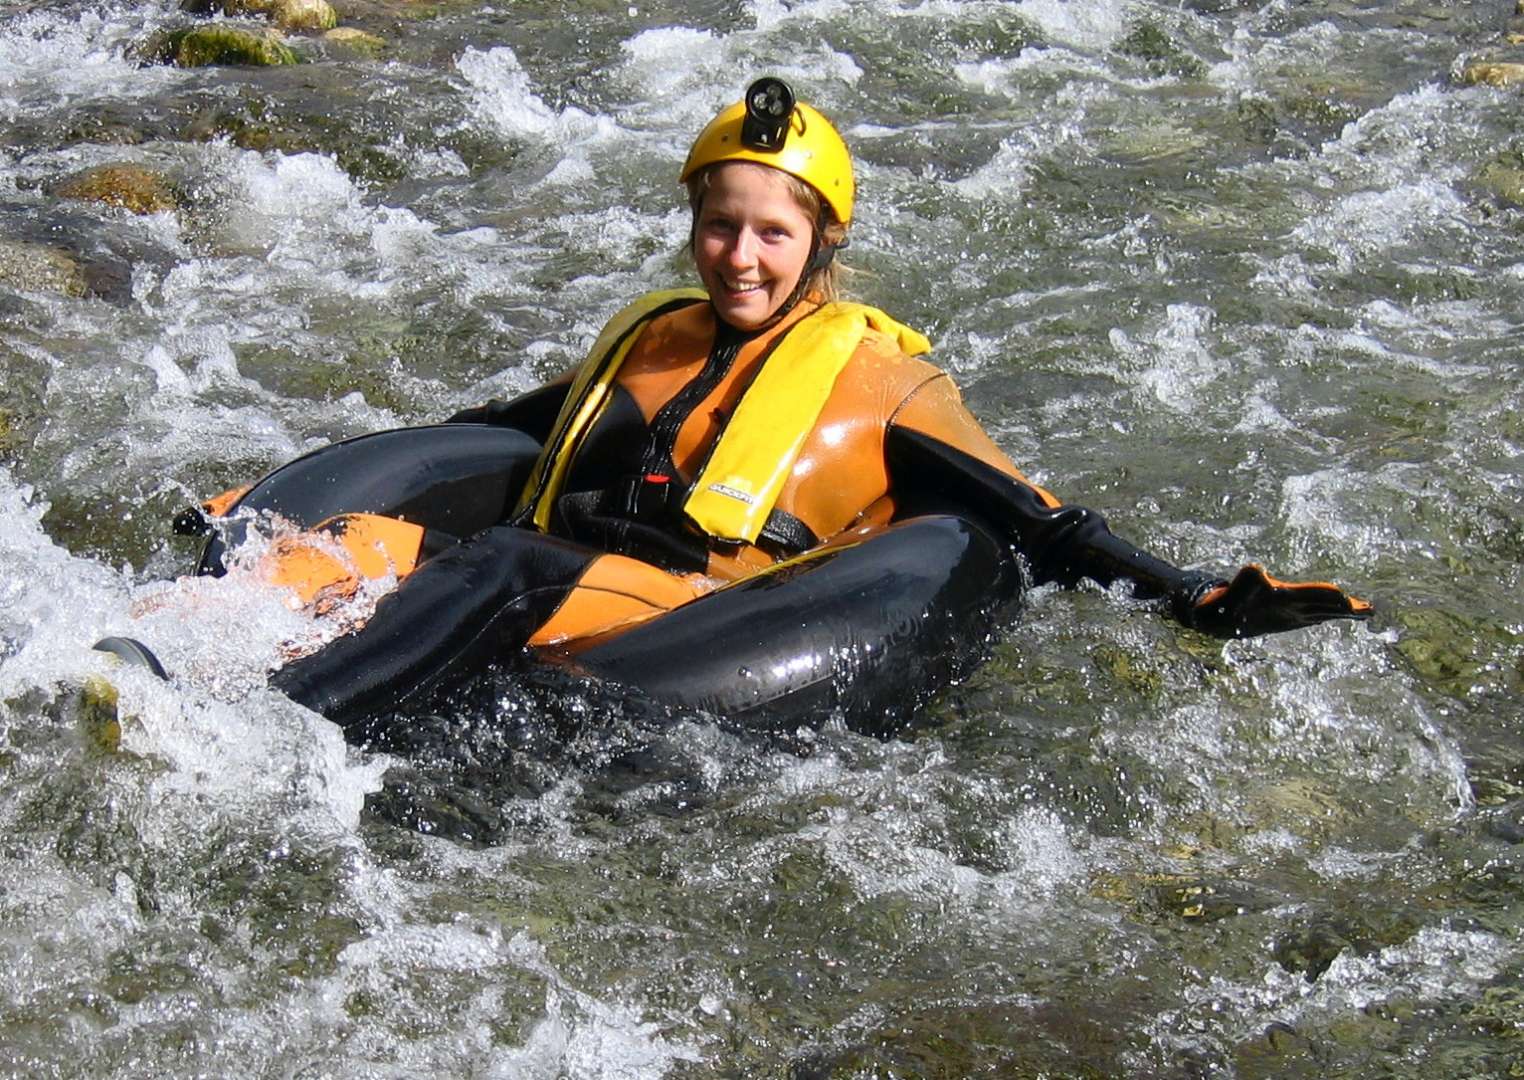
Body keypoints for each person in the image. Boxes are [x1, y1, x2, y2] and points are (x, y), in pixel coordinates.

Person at [265, 78, 1370, 728]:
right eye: (718, 226)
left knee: (502, 567)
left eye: (772, 234)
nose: (739, 258)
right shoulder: (652, 341)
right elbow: (492, 440)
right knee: (369, 543)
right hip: (557, 581)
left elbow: (1042, 526)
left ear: (823, 240)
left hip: (681, 627)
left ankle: (284, 724)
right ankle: (162, 664)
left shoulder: (882, 383)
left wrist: (1189, 595)